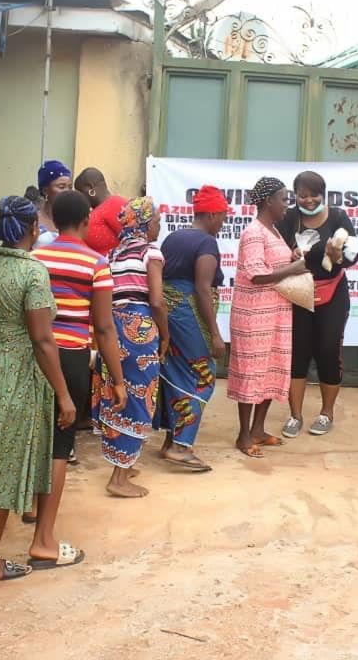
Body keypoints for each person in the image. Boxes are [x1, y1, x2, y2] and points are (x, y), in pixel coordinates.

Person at [0, 196, 76, 579]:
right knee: (5, 463)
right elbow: (42, 340)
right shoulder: (32, 274)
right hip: (17, 374)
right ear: (31, 229)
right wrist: (63, 393)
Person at [27, 191, 127, 561]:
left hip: (33, 354)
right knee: (59, 445)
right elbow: (103, 327)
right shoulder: (96, 263)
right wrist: (117, 379)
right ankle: (44, 540)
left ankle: (34, 508)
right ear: (86, 220)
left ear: (51, 217)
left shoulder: (35, 257)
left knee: (35, 436)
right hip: (70, 358)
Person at [91, 197, 168, 498]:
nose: (160, 227)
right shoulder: (151, 252)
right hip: (140, 330)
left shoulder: (113, 254)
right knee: (137, 400)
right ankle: (119, 479)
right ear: (147, 223)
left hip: (112, 329)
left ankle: (123, 463)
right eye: (158, 222)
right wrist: (165, 334)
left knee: (115, 395)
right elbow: (158, 301)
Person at [228, 177, 307, 459]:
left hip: (276, 313)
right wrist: (293, 268)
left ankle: (259, 429)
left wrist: (291, 258)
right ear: (268, 201)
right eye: (284, 199)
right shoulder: (253, 233)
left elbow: (274, 265)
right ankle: (244, 434)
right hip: (254, 316)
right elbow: (257, 274)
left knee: (272, 370)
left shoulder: (272, 230)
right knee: (252, 374)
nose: (288, 204)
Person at [276, 171, 358, 439]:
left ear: (323, 194)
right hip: (298, 293)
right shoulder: (289, 217)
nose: (309, 200)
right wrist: (290, 253)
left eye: (314, 195)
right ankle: (295, 415)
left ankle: (327, 413)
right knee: (297, 353)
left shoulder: (338, 217)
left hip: (332, 293)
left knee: (327, 350)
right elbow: (275, 249)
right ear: (294, 195)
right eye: (302, 195)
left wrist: (337, 257)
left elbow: (353, 255)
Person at [157, 185, 229, 471]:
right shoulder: (206, 243)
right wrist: (214, 333)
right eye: (222, 215)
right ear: (211, 214)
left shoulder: (173, 238)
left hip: (170, 316)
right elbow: (202, 288)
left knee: (174, 373)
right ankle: (180, 446)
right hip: (189, 315)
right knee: (203, 376)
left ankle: (168, 440)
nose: (223, 221)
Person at [75, 167, 128, 258]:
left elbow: (130, 240)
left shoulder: (115, 204)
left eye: (80, 192)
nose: (79, 198)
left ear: (90, 187)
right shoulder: (96, 209)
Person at [34, 160, 73, 249]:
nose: (67, 191)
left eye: (70, 187)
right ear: (45, 190)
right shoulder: (33, 220)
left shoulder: (75, 221)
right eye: (61, 187)